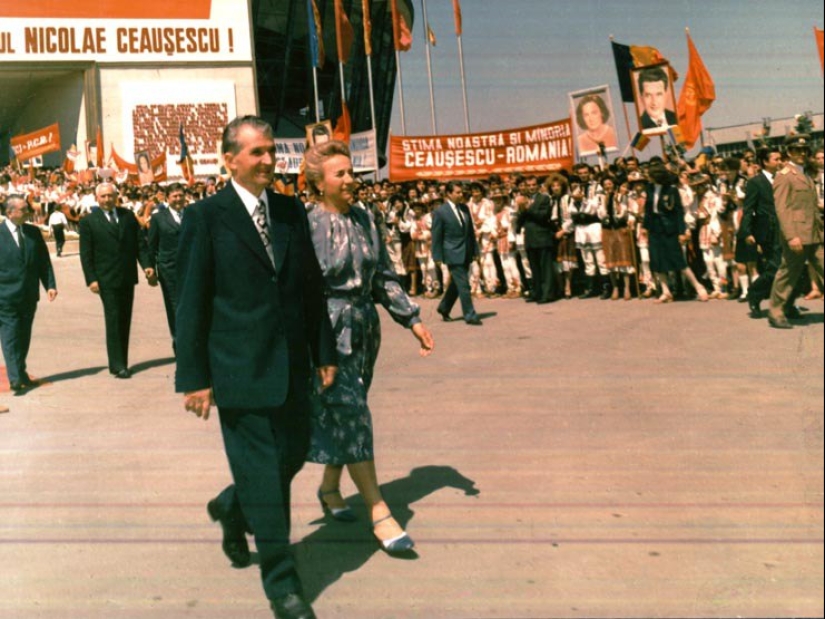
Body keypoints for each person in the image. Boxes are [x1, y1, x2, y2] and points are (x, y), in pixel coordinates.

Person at [175, 116, 337, 619]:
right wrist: (194, 377)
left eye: (271, 151)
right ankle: (283, 586)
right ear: (230, 160)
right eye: (257, 153)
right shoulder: (206, 217)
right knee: (266, 479)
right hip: (237, 369)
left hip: (291, 366)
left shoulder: (289, 212)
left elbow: (310, 288)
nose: (269, 161)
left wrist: (324, 352)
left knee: (289, 457)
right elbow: (191, 301)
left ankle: (231, 505)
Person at [302, 140, 435, 557]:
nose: (349, 180)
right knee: (353, 413)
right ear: (318, 184)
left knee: (349, 412)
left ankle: (328, 487)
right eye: (339, 174)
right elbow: (300, 288)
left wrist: (411, 318)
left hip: (364, 331)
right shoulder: (310, 223)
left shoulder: (365, 218)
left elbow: (382, 275)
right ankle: (380, 510)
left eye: (350, 172)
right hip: (328, 332)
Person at [79, 182, 155, 379]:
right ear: (97, 198)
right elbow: (86, 254)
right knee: (113, 319)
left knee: (124, 318)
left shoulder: (127, 216)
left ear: (116, 196)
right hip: (105, 279)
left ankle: (121, 362)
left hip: (127, 276)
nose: (107, 200)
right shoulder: (89, 221)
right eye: (103, 196)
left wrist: (146, 265)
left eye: (110, 196)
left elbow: (139, 243)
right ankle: (118, 364)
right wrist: (91, 279)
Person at [0, 195, 57, 394]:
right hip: (5, 296)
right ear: (10, 212)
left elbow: (43, 261)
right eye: (24, 209)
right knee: (10, 336)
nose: (28, 212)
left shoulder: (32, 232)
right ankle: (15, 378)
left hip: (29, 294)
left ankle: (21, 372)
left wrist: (50, 284)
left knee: (23, 336)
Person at [766, 134, 824, 330]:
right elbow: (782, 209)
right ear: (789, 152)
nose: (802, 153)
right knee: (788, 273)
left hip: (814, 233)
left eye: (804, 150)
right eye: (797, 150)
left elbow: (809, 206)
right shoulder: (784, 176)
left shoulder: (805, 174)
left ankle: (787, 306)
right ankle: (775, 312)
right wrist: (791, 236)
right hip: (797, 235)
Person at [643, 161, 709, 303]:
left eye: (650, 175)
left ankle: (699, 287)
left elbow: (678, 212)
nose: (648, 178)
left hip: (669, 227)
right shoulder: (649, 188)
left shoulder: (671, 190)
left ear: (657, 176)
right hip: (654, 228)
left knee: (678, 259)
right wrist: (644, 226)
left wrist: (681, 231)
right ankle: (666, 291)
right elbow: (648, 209)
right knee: (656, 260)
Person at [432, 182, 482, 325]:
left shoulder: (465, 208)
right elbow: (436, 236)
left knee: (457, 283)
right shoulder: (441, 212)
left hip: (466, 251)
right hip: (452, 253)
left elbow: (470, 232)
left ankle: (444, 307)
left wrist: (475, 250)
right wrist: (437, 256)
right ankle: (470, 315)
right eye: (458, 192)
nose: (461, 195)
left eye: (461, 192)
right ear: (449, 194)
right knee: (464, 284)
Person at [741, 147, 783, 317]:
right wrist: (747, 232)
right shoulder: (755, 182)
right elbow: (748, 208)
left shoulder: (783, 179)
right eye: (776, 159)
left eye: (781, 159)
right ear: (765, 162)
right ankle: (755, 294)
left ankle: (787, 303)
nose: (780, 162)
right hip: (767, 230)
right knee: (775, 266)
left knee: (789, 268)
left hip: (785, 228)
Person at [147, 182, 187, 352]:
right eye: (174, 196)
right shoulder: (158, 218)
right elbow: (152, 245)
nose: (178, 199)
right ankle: (179, 345)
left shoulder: (193, 214)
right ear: (167, 198)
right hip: (169, 270)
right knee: (175, 306)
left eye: (180, 195)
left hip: (192, 269)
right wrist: (150, 269)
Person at [516, 175, 557, 304]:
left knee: (545, 268)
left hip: (542, 236)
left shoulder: (544, 198)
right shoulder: (524, 199)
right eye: (529, 185)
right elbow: (520, 221)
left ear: (538, 186)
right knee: (534, 268)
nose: (531, 187)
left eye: (534, 185)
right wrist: (521, 210)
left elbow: (544, 216)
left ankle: (547, 294)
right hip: (530, 237)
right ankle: (537, 293)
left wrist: (529, 209)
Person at [637, 66, 678, 132]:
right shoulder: (640, 125)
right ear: (641, 98)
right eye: (648, 95)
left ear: (666, 95)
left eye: (658, 94)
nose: (654, 102)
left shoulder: (676, 118)